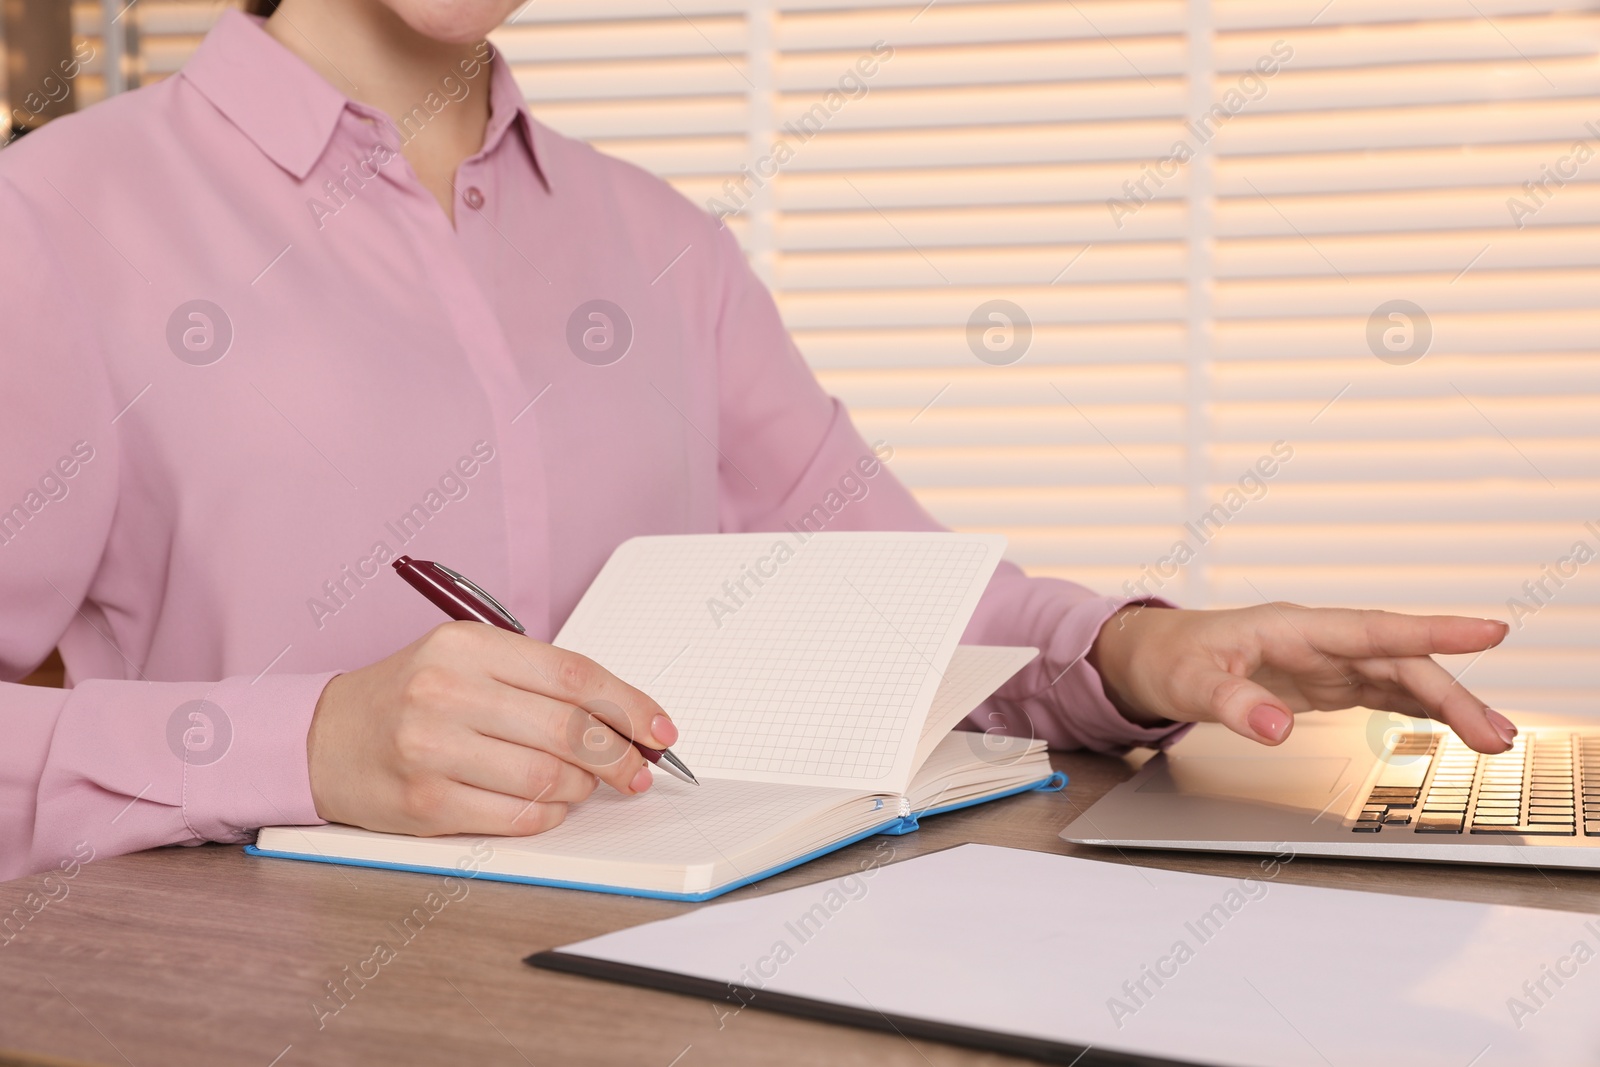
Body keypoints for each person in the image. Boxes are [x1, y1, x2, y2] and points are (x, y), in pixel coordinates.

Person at [0, 0, 1514, 882]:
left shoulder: (657, 242)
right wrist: (300, 749)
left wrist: (1137, 651)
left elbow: (890, 593)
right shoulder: (56, 222)